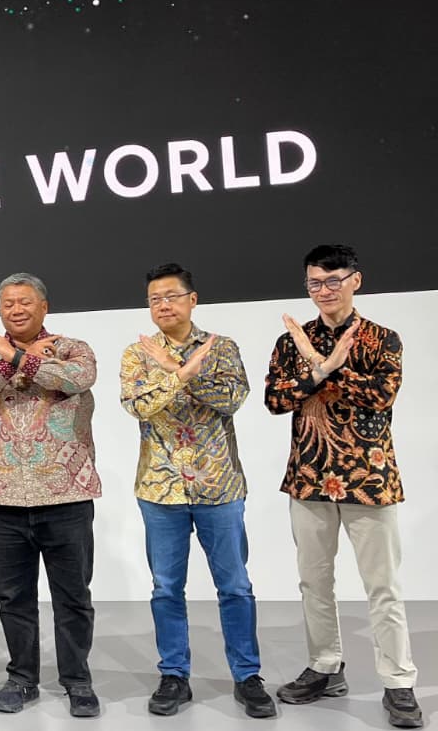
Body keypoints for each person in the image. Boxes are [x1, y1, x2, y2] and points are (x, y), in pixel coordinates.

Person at [264, 244, 422, 729]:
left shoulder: (382, 338)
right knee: (314, 582)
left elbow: (381, 396)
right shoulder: (291, 341)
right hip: (309, 476)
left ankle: (398, 682)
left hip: (370, 479)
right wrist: (319, 367)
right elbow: (275, 399)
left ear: (356, 280)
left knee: (383, 586)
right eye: (315, 282)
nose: (324, 290)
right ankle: (326, 666)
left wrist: (327, 367)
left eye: (333, 280)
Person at [120, 264, 275, 718]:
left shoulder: (221, 347)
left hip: (219, 487)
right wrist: (181, 373)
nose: (162, 305)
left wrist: (178, 370)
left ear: (192, 299)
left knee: (235, 586)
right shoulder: (137, 353)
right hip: (160, 488)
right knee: (167, 588)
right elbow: (137, 405)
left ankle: (247, 676)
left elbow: (232, 399)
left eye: (171, 296)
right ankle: (174, 675)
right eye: (154, 299)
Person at [0, 273, 101, 718]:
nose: (16, 310)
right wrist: (8, 362)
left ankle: (77, 680)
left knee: (72, 596)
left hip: (66, 495)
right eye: (8, 304)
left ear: (44, 307)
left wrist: (19, 357)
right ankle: (22, 678)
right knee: (14, 599)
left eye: (25, 302)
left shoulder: (73, 348)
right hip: (2, 496)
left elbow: (78, 378)